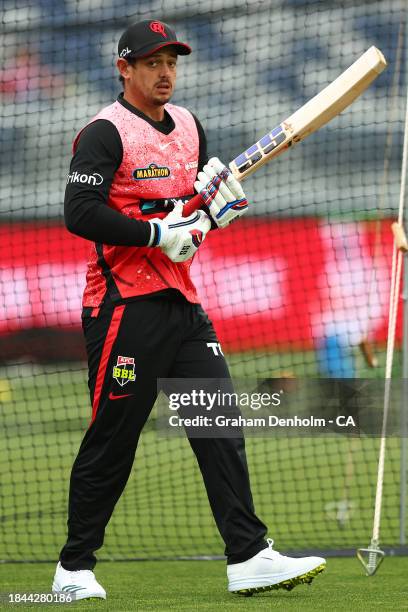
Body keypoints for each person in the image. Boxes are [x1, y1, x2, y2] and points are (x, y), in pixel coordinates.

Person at [52, 20, 325, 600]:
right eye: (153, 63)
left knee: (219, 425)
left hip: (182, 303)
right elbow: (80, 212)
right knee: (115, 436)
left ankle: (248, 556)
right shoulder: (105, 132)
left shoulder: (190, 128)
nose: (165, 72)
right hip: (123, 308)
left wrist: (211, 215)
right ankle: (73, 569)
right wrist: (156, 234)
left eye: (172, 61)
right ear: (125, 68)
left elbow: (188, 217)